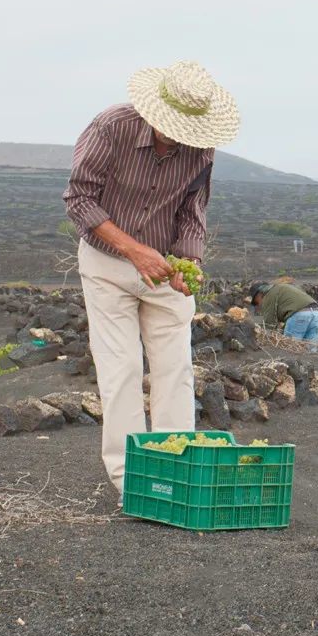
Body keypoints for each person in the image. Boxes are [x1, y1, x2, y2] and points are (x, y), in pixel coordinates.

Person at [63, 60, 239, 500]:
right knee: (121, 369)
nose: (180, 137)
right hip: (107, 263)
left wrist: (188, 262)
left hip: (164, 268)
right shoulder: (111, 127)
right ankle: (133, 481)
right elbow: (79, 199)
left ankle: (175, 474)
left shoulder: (201, 147)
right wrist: (133, 249)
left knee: (175, 370)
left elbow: (192, 212)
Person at [250, 281, 318, 350]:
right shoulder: (280, 289)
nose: (258, 305)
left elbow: (269, 323)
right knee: (311, 348)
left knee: (290, 348)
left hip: (299, 314)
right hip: (315, 312)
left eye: (256, 302)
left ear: (258, 294)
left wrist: (262, 338)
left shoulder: (268, 296)